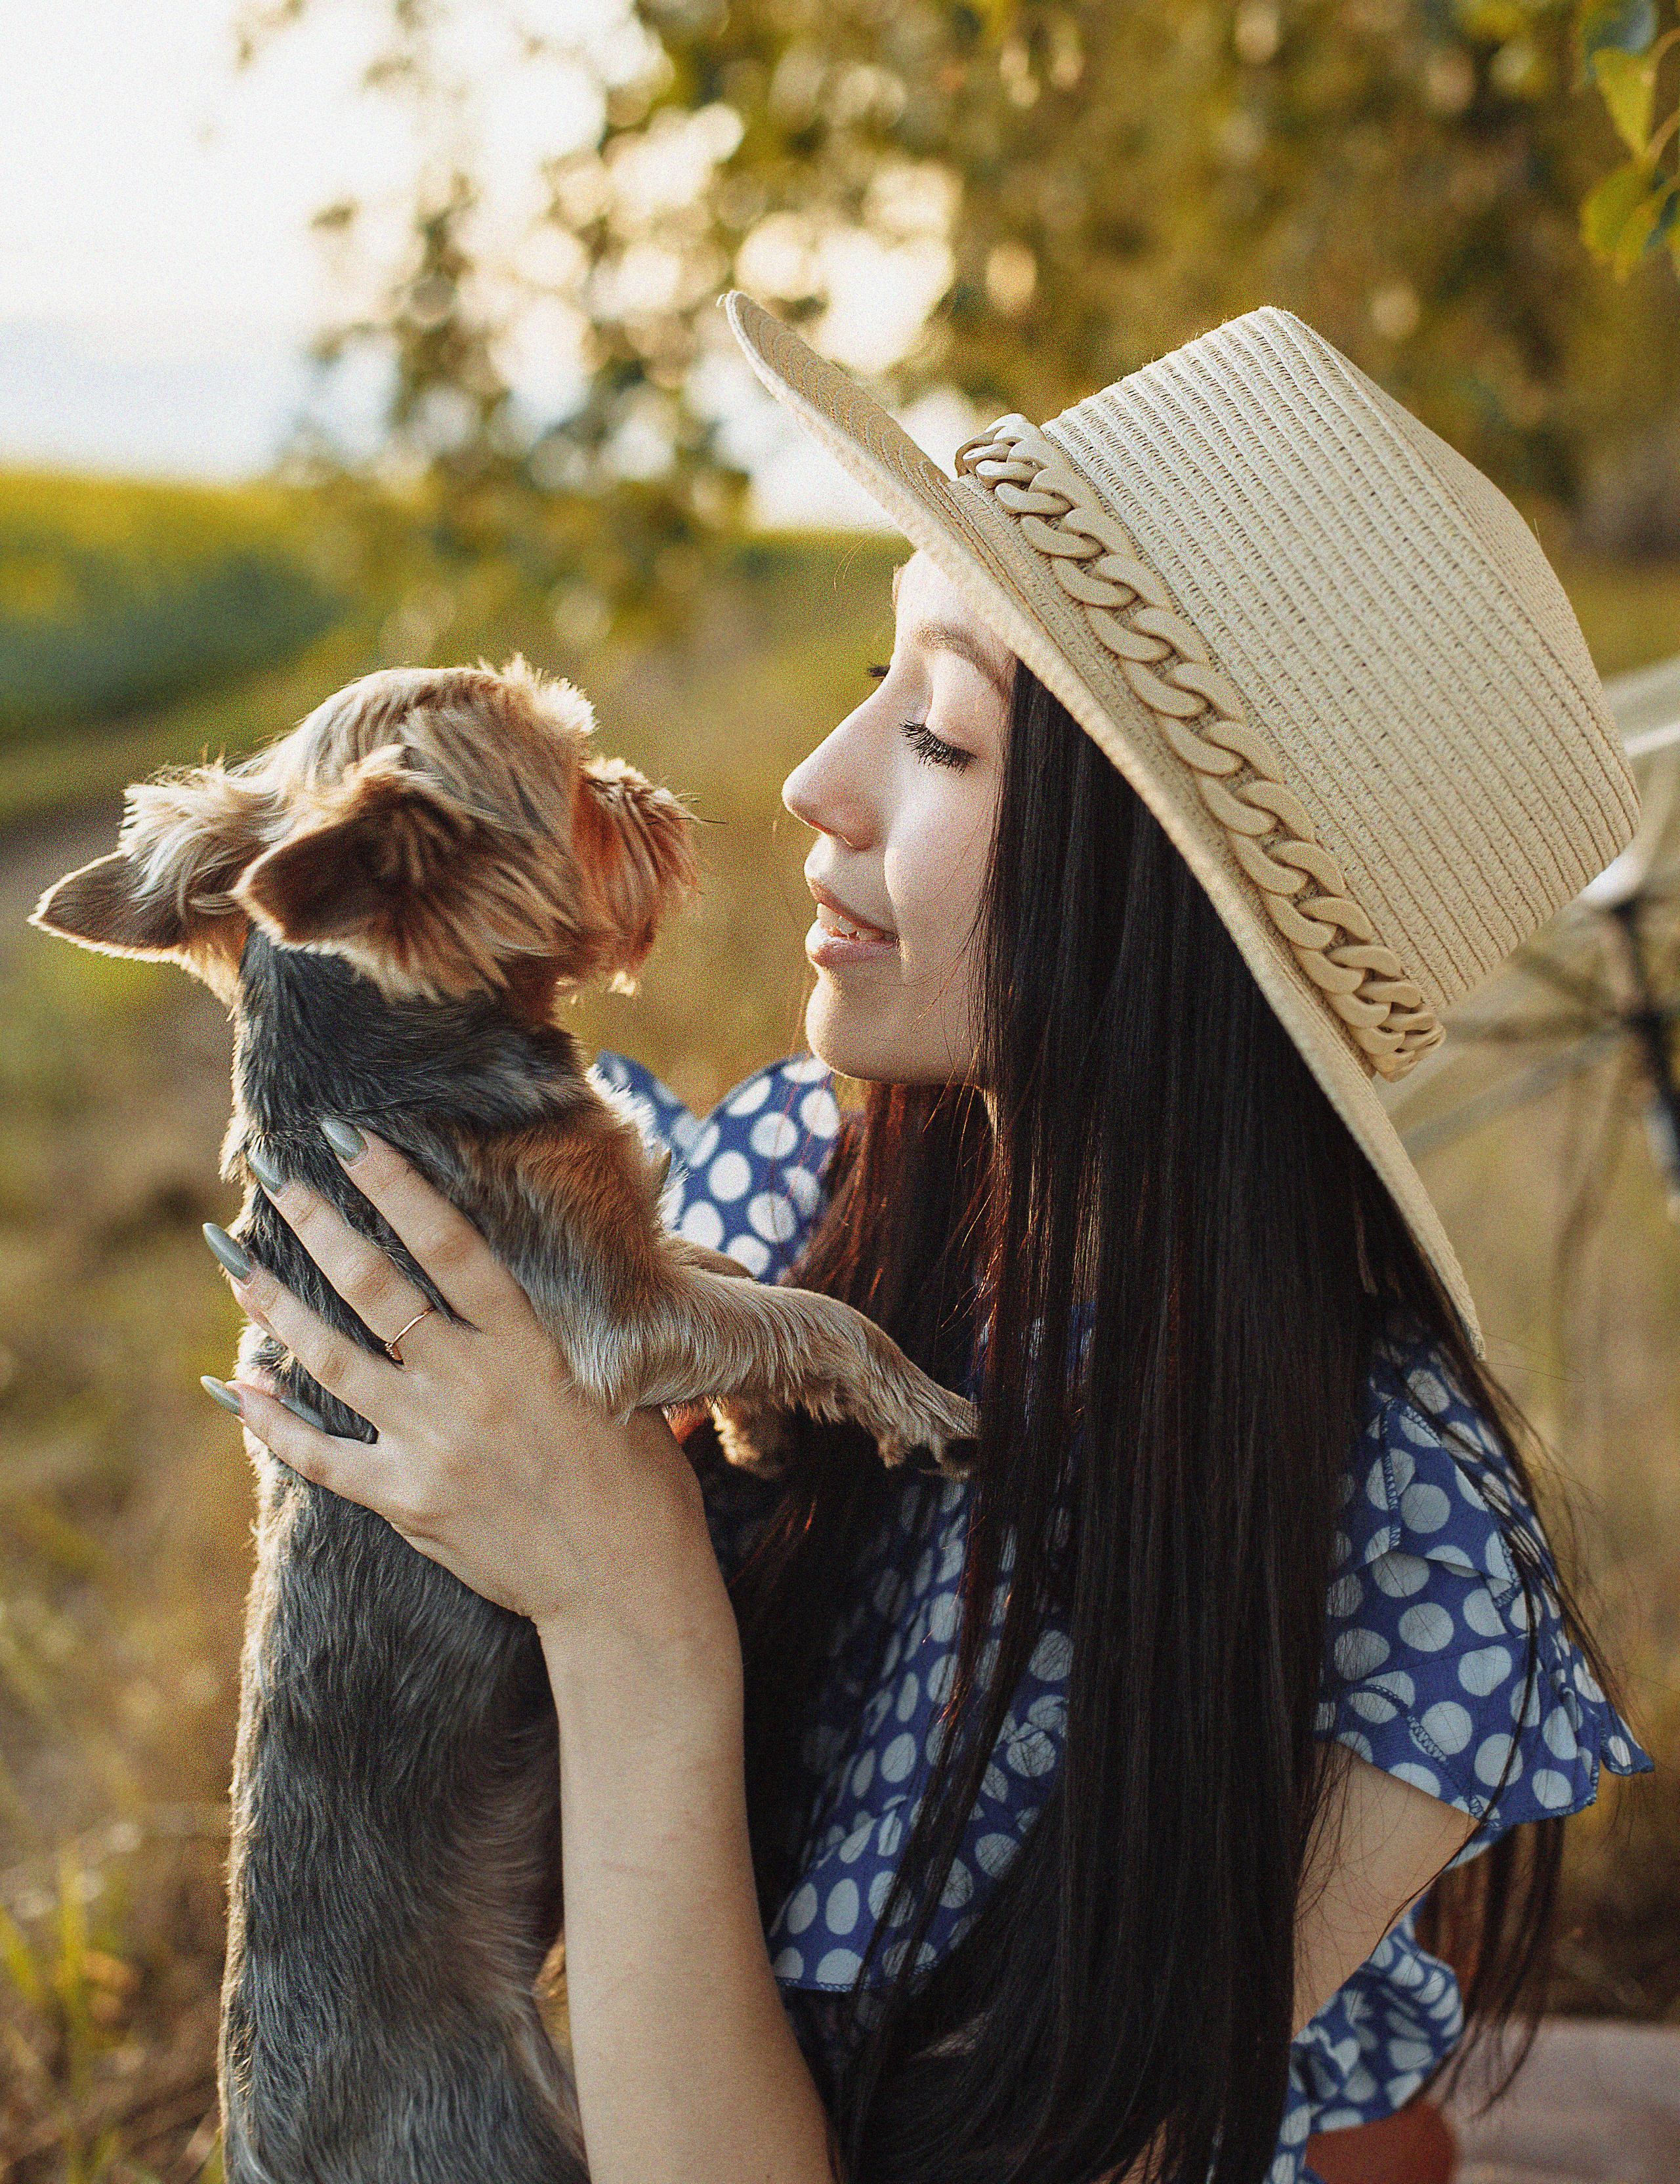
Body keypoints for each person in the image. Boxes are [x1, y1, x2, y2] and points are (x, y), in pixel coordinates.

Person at [207, 297, 1651, 2184]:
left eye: (946, 740)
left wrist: (635, 1619)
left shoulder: (1405, 1564)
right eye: (878, 677)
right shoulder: (794, 1196)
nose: (819, 779)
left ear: (1164, 918)